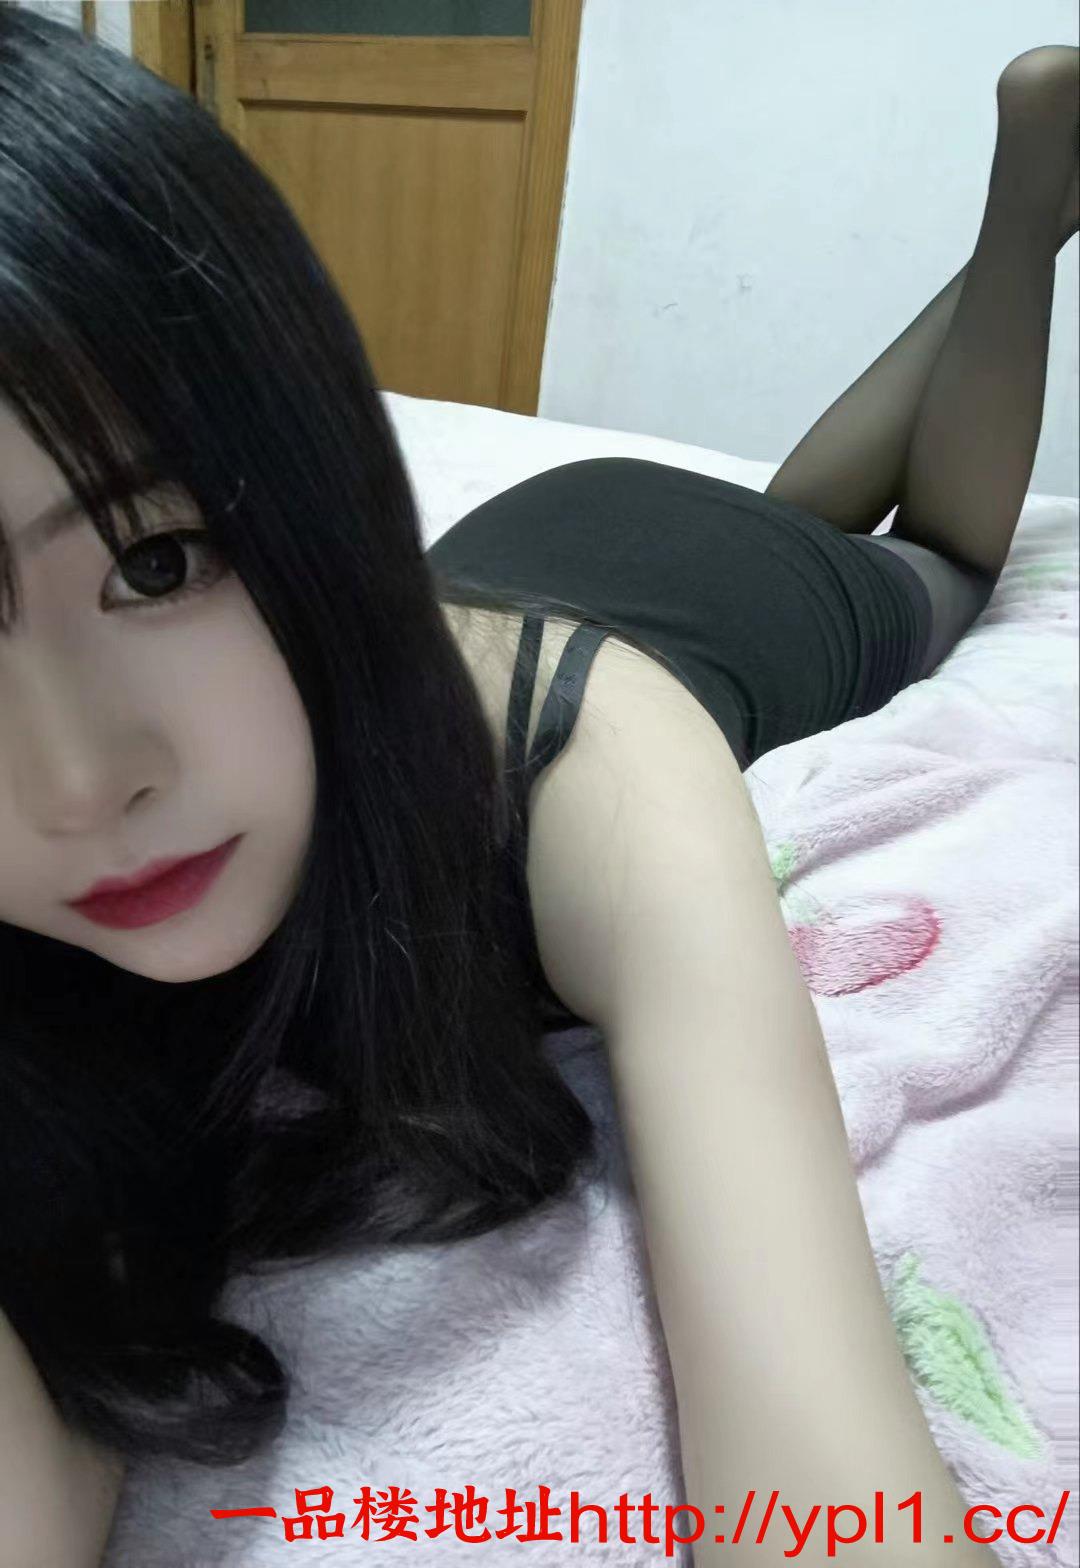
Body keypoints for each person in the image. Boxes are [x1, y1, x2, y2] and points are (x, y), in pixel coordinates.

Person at [0, 7, 1074, 1564]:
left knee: (943, 555)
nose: (83, 784)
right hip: (550, 529)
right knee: (803, 494)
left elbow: (832, 1505)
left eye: (158, 560)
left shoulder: (596, 768)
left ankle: (1026, 217)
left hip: (694, 622)